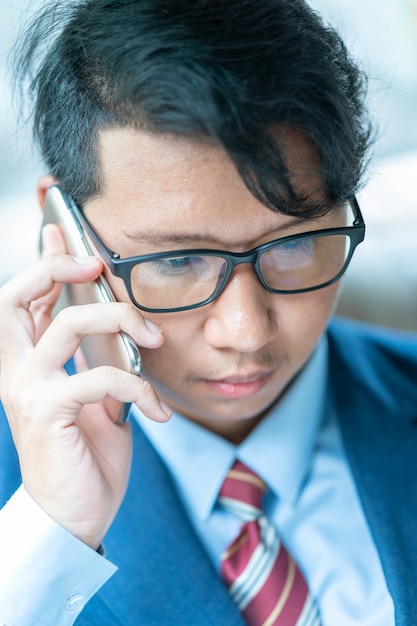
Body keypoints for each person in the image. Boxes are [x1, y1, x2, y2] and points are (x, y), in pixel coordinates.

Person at [0, 0, 416, 624]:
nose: (246, 332)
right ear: (65, 231)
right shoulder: (25, 516)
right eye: (174, 262)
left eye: (295, 243)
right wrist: (53, 535)